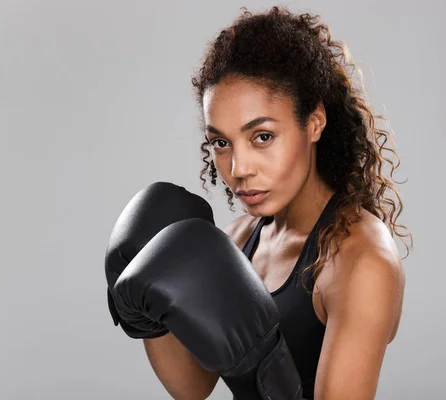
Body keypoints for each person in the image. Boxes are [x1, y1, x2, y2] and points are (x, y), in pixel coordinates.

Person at [107, 6, 412, 400]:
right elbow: (193, 387)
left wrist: (263, 375)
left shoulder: (362, 260)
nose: (238, 168)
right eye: (221, 142)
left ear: (315, 121)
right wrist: (151, 322)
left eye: (262, 136)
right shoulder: (235, 242)